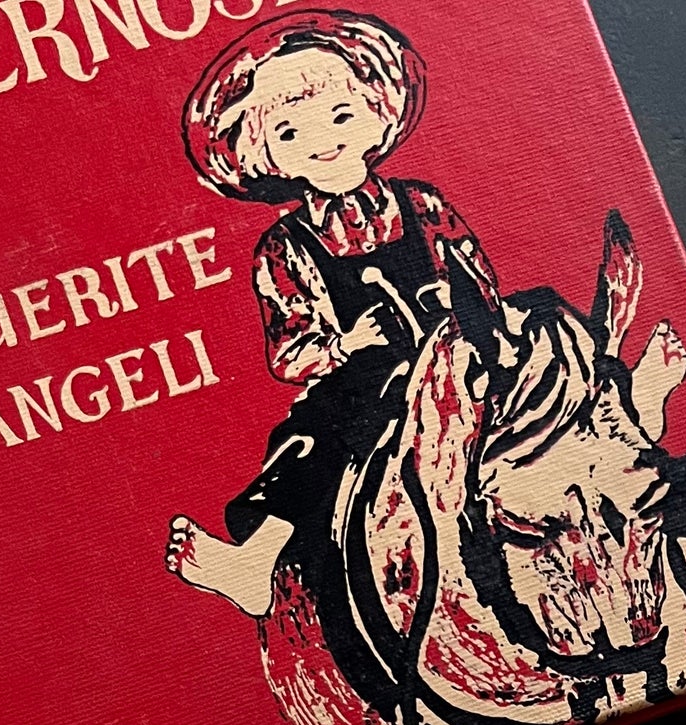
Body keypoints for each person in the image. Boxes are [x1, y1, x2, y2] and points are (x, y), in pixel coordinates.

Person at [167, 10, 502, 619]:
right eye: (291, 132)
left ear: (378, 113)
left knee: (544, 328)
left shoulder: (421, 203)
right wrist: (345, 343)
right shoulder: (285, 245)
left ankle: (626, 407)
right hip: (368, 384)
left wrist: (462, 312)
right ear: (263, 154)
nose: (325, 139)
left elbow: (478, 277)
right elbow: (287, 352)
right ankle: (255, 561)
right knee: (320, 436)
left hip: (461, 355)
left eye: (342, 116)